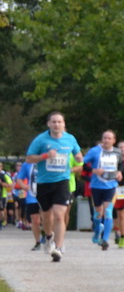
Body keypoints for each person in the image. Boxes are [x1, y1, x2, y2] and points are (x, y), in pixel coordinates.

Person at [24, 112, 81, 262]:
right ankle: (49, 236)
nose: (57, 124)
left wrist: (79, 158)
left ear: (64, 124)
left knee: (59, 215)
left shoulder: (70, 138)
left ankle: (59, 247)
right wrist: (45, 156)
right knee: (46, 216)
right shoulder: (41, 139)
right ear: (48, 124)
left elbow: (78, 155)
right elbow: (29, 158)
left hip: (62, 182)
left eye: (59, 122)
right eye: (54, 122)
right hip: (44, 182)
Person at [83, 129, 121, 250]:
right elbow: (82, 165)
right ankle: (96, 231)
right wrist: (93, 170)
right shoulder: (94, 151)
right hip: (96, 186)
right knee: (98, 214)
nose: (106, 140)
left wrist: (119, 172)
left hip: (111, 186)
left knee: (108, 211)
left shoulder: (118, 152)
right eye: (105, 138)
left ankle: (105, 239)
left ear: (114, 140)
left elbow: (120, 164)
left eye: (109, 138)